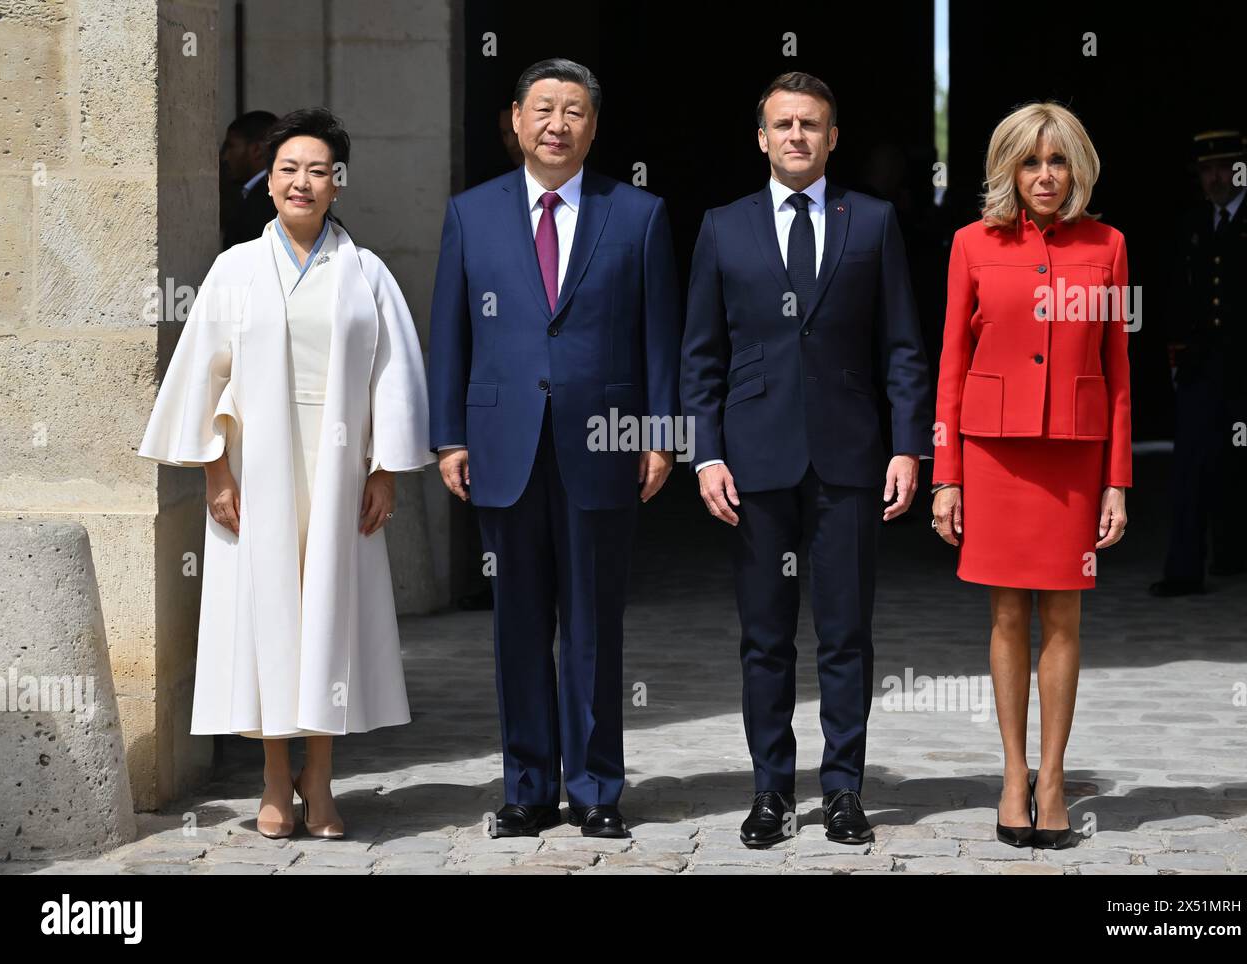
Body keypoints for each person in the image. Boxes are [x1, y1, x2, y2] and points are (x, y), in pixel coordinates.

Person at [139, 108, 433, 838]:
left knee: (329, 617)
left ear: (338, 183)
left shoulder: (366, 273)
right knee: (267, 616)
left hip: (340, 474)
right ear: (266, 184)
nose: (303, 182)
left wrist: (385, 472)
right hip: (257, 470)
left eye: (318, 170)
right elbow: (201, 382)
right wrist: (216, 477)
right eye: (287, 170)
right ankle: (275, 778)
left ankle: (322, 778)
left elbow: (394, 380)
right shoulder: (234, 270)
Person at [427, 59, 681, 839]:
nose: (557, 124)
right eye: (543, 108)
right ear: (515, 118)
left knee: (595, 625)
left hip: (603, 444)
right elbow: (450, 332)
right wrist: (448, 436)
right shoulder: (472, 214)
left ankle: (598, 787)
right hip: (503, 444)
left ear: (593, 126)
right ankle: (527, 787)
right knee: (518, 624)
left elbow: (659, 338)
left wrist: (662, 436)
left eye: (574, 111)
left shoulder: (636, 213)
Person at [681, 72, 934, 848]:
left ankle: (844, 791)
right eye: (783, 124)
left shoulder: (875, 222)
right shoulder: (723, 228)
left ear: (832, 138)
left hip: (851, 459)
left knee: (845, 632)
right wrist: (704, 454)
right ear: (761, 137)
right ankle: (769, 792)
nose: (797, 135)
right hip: (754, 462)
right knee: (764, 636)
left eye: (812, 124)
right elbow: (701, 355)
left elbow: (902, 346)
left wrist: (906, 444)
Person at [931, 102, 1131, 849]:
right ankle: (1013, 776)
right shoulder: (970, 245)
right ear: (1007, 169)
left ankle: (1054, 779)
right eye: (1030, 162)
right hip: (992, 453)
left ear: (1075, 168)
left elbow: (1117, 372)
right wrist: (946, 474)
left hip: (1075, 456)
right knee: (1007, 615)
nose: (1044, 176)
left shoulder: (1108, 245)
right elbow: (951, 362)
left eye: (1057, 162)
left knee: (1066, 618)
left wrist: (1118, 480)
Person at [1150, 129, 1247, 596]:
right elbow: (1177, 293)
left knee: (1236, 464)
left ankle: (1233, 556)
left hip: (1246, 368)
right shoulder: (1193, 223)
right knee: (1189, 467)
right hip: (1200, 368)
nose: (1214, 178)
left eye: (1223, 167)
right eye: (1206, 170)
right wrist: (1176, 355)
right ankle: (1185, 570)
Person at [220, 110, 278, 250]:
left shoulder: (265, 200)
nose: (225, 157)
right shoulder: (258, 194)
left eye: (231, 146)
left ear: (257, 150)